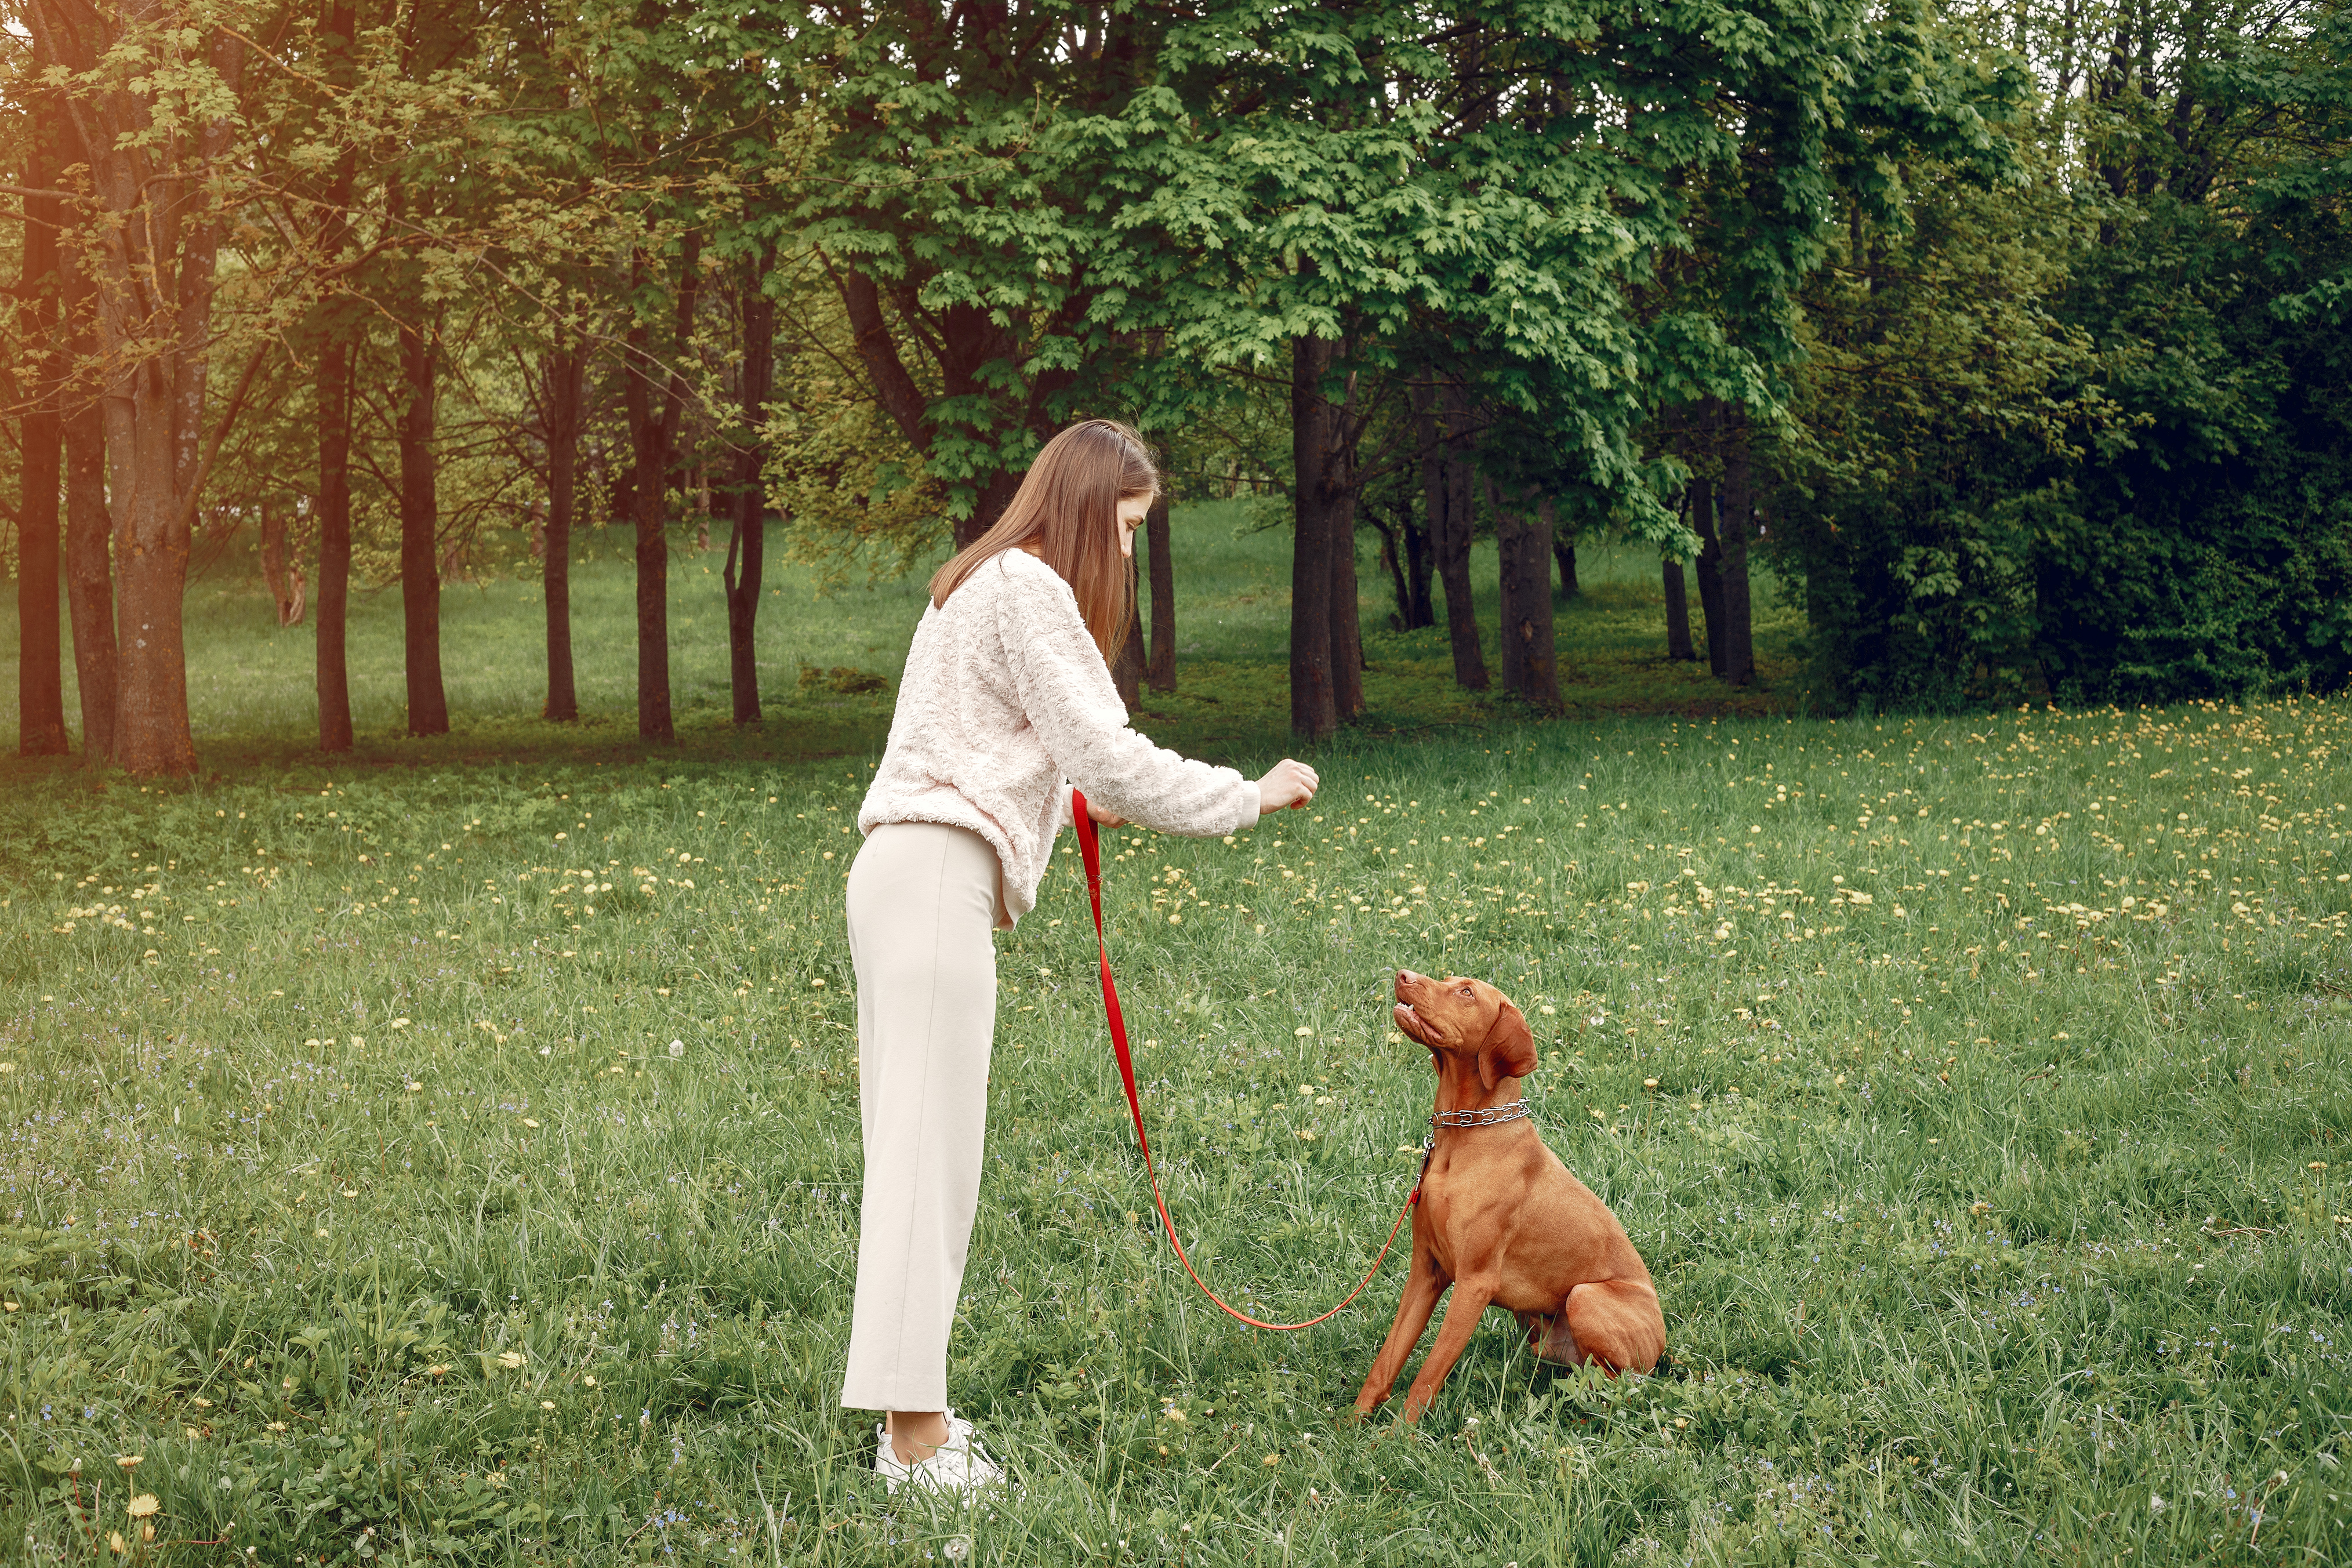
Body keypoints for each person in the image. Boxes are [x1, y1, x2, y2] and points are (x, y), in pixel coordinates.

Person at [842, 419, 1320, 1496]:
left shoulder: (977, 582)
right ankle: (914, 1444)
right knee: (929, 1168)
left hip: (910, 877)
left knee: (922, 1163)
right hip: (932, 882)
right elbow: (1109, 753)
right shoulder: (1030, 587)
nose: (1134, 550)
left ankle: (910, 1419)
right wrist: (1246, 794)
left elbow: (1026, 757)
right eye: (1132, 525)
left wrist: (1066, 800)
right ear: (1091, 507)